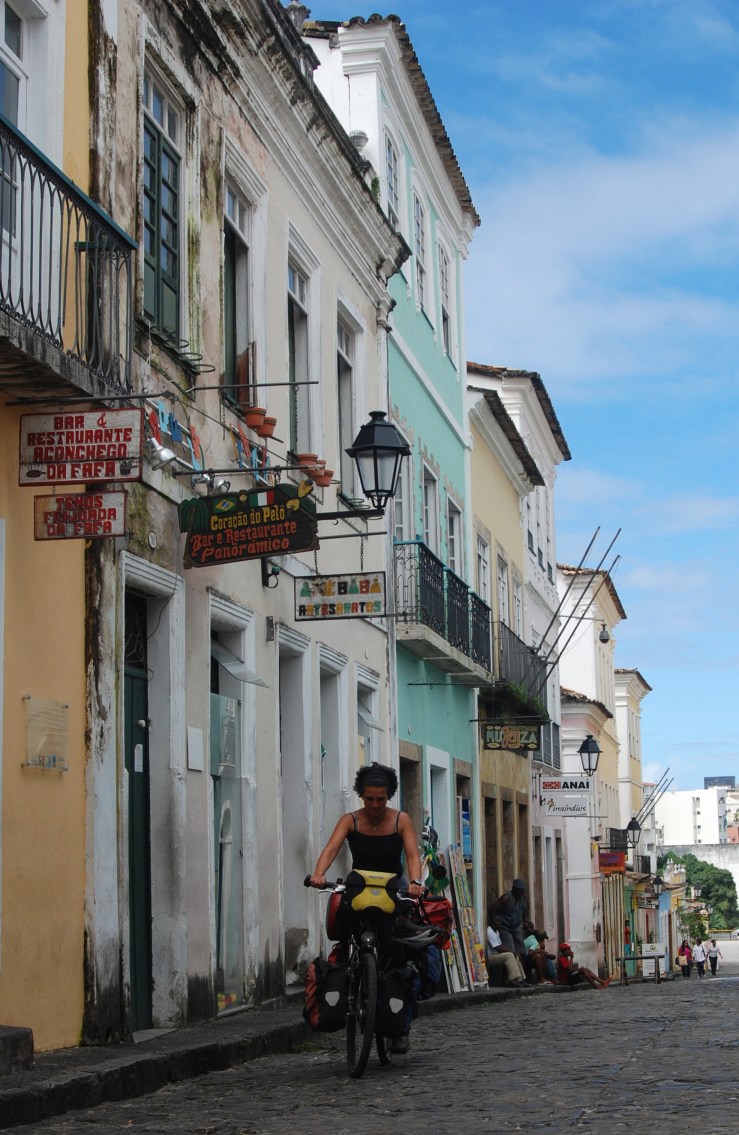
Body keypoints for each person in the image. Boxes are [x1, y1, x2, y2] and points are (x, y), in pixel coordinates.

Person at [309, 762, 423, 1055]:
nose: (374, 805)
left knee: (397, 958)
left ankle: (400, 1026)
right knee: (343, 932)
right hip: (358, 887)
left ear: (389, 796)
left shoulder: (401, 820)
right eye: (369, 799)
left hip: (391, 890)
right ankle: (348, 980)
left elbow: (412, 854)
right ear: (361, 795)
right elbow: (332, 848)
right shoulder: (351, 820)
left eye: (381, 799)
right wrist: (319, 873)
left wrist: (415, 882)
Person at [490, 878, 528, 963]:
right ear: (514, 889)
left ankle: (522, 972)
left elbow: (523, 913)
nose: (520, 893)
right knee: (511, 951)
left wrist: (525, 922)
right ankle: (510, 973)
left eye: (522, 891)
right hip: (505, 928)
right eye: (518, 890)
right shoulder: (507, 897)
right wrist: (495, 918)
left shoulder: (523, 900)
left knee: (523, 952)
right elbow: (493, 908)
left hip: (516, 929)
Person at [486, 919, 529, 988]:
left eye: (500, 921)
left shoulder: (496, 931)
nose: (499, 923)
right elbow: (498, 948)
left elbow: (501, 946)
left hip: (497, 955)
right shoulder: (489, 931)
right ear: (491, 922)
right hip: (490, 957)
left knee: (516, 956)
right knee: (509, 955)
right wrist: (512, 951)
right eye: (497, 921)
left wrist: (514, 953)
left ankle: (520, 979)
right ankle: (512, 980)